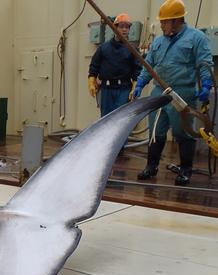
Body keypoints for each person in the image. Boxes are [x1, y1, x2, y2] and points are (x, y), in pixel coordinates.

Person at [131, 0, 214, 185]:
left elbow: (205, 63)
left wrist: (206, 86)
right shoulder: (159, 42)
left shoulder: (196, 38)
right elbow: (148, 65)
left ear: (177, 20)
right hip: (159, 93)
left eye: (164, 22)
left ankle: (185, 170)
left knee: (183, 132)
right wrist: (140, 84)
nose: (161, 25)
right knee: (155, 132)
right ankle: (151, 167)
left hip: (182, 94)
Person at [88, 13, 142, 117]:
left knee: (121, 119)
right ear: (114, 28)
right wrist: (91, 81)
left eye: (127, 27)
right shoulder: (103, 48)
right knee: (106, 120)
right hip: (106, 90)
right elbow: (94, 66)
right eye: (121, 26)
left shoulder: (133, 50)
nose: (124, 29)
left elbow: (137, 70)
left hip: (124, 90)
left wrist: (135, 85)